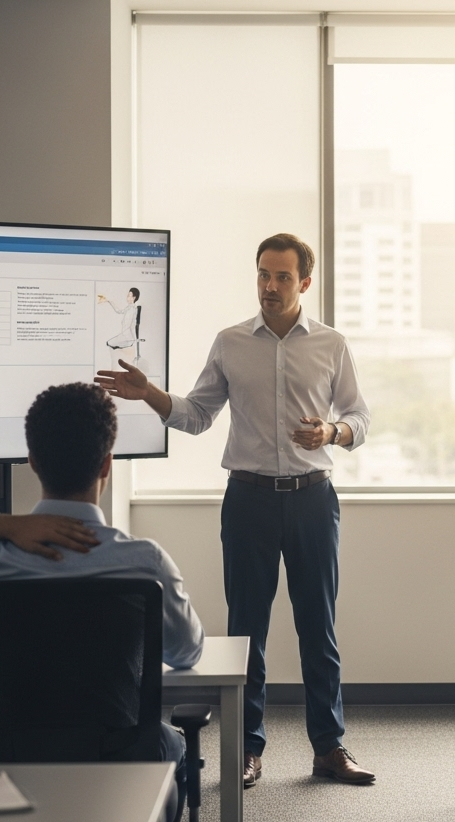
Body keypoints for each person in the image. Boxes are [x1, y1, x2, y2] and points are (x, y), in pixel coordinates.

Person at [95, 233, 374, 788]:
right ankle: (248, 748)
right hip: (247, 500)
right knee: (247, 630)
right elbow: (197, 415)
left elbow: (360, 420)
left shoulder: (331, 345)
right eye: (263, 275)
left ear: (305, 283)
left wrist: (332, 430)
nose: (270, 286)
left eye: (283, 277)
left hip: (314, 498)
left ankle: (328, 747)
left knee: (318, 626)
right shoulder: (230, 342)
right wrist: (149, 393)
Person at [0, 383, 204, 822]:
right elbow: (187, 651)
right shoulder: (144, 561)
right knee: (169, 742)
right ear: (108, 463)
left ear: (32, 460)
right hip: (118, 766)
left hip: (6, 761)